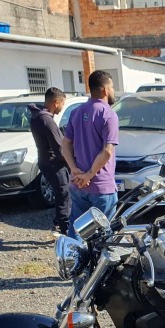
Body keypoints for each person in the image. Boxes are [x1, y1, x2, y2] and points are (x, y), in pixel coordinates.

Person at [62, 70, 119, 236]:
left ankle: (73, 253)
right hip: (101, 186)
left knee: (77, 231)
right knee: (104, 236)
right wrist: (88, 175)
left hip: (78, 185)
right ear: (105, 90)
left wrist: (74, 170)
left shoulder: (76, 112)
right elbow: (107, 151)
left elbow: (65, 144)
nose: (113, 91)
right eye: (112, 87)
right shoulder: (108, 114)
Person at [29, 87, 70, 236]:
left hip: (45, 161)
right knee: (64, 194)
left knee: (60, 194)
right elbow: (59, 149)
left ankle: (58, 223)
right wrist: (72, 164)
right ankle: (64, 229)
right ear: (56, 102)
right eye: (62, 104)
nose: (62, 107)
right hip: (54, 163)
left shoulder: (36, 117)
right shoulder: (47, 120)